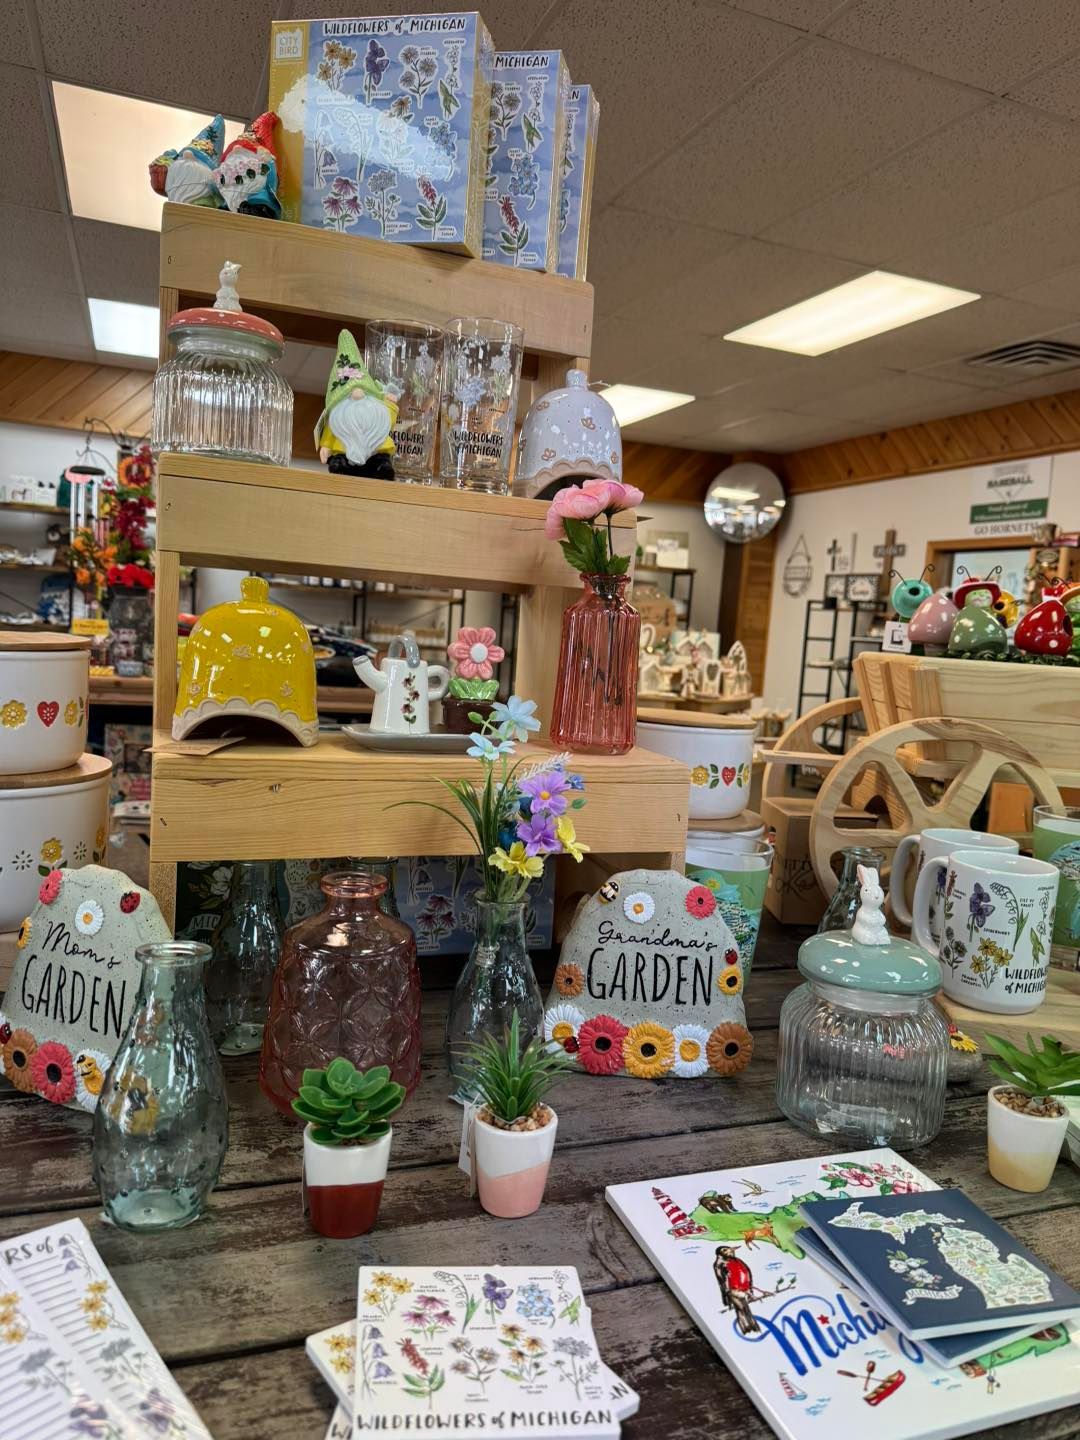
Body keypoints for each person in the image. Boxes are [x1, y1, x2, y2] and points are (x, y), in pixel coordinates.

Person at [714, 1245, 759, 1335]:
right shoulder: (720, 1264)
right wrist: (728, 1296)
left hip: (744, 1289)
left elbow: (747, 1273)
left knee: (744, 1308)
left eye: (729, 1249)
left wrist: (749, 1289)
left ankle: (751, 1327)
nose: (730, 1251)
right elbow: (723, 1282)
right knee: (741, 1308)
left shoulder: (737, 1260)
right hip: (733, 1291)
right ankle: (747, 1328)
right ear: (719, 1255)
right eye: (725, 1250)